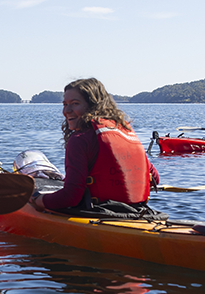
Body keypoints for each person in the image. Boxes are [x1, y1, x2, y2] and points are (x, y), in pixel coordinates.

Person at [31, 78, 164, 220]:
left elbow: (70, 197)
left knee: (32, 201)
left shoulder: (80, 139)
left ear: (93, 106)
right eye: (65, 104)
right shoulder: (124, 130)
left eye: (75, 104)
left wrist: (36, 199)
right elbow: (154, 178)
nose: (67, 111)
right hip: (139, 212)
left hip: (100, 213)